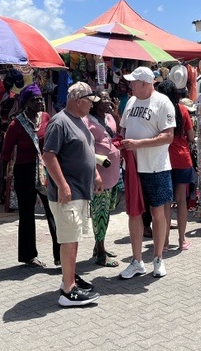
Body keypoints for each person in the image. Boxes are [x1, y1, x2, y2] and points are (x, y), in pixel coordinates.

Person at [41, 82, 103, 308]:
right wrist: (63, 185)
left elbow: (86, 150)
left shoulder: (80, 121)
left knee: (73, 238)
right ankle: (68, 292)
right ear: (78, 101)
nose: (91, 106)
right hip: (68, 192)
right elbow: (48, 156)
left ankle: (70, 279)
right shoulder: (60, 122)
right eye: (89, 102)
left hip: (78, 190)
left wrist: (95, 173)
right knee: (69, 240)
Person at [118, 66, 175, 280]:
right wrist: (122, 143)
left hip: (156, 167)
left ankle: (158, 258)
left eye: (133, 82)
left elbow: (168, 136)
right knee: (134, 213)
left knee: (157, 213)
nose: (129, 85)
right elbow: (123, 128)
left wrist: (138, 144)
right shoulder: (131, 102)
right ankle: (137, 261)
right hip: (133, 168)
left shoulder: (162, 102)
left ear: (145, 83)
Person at [0, 84, 58, 269]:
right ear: (25, 103)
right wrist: (0, 183)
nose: (39, 102)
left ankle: (60, 255)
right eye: (34, 100)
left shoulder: (46, 118)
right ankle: (29, 255)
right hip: (24, 171)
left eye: (40, 98)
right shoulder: (16, 125)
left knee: (53, 211)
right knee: (27, 214)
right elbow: (5, 155)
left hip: (45, 170)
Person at [156, 79, 195, 251]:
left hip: (164, 159)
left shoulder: (158, 110)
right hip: (182, 158)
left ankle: (164, 242)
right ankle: (181, 240)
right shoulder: (183, 110)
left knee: (165, 202)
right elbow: (191, 137)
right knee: (181, 201)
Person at [86, 90, 122, 267]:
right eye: (104, 98)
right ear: (94, 102)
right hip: (100, 175)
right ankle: (100, 254)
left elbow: (118, 135)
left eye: (109, 97)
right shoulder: (87, 121)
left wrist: (116, 115)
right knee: (99, 213)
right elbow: (84, 149)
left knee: (107, 211)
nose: (108, 100)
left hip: (114, 173)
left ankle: (99, 245)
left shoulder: (110, 118)